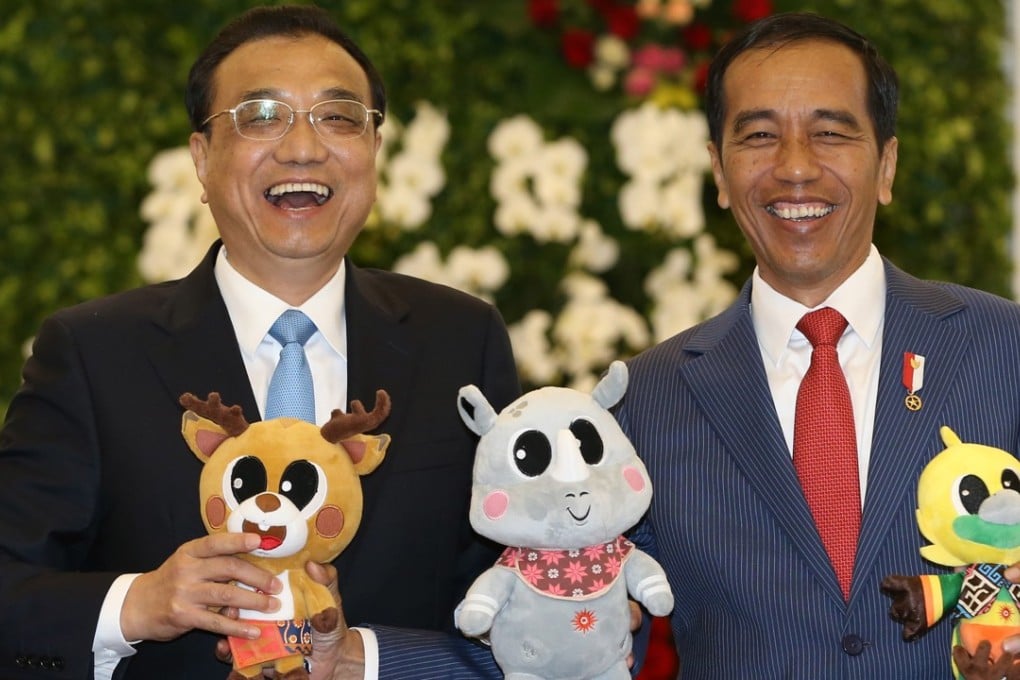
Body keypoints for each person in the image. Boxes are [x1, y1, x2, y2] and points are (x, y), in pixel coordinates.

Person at [0, 5, 519, 679]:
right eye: (262, 117)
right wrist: (140, 603)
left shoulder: (461, 339)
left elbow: (508, 594)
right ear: (201, 157)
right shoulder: (94, 353)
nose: (302, 147)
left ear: (374, 152)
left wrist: (364, 660)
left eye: (337, 117)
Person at [613, 11, 1020, 679]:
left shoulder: (1004, 350)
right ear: (718, 170)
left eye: (830, 133)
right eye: (760, 136)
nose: (795, 168)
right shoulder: (646, 399)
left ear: (886, 164)